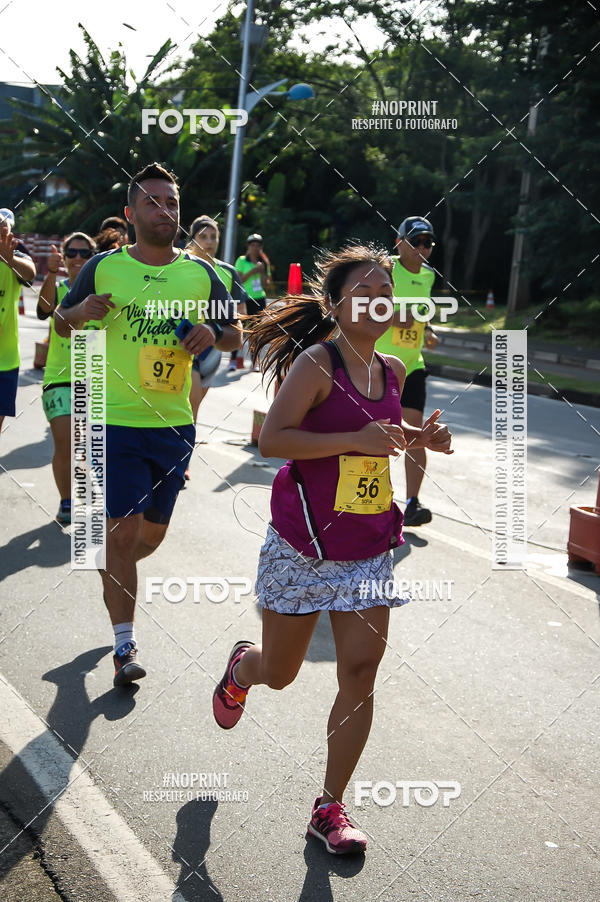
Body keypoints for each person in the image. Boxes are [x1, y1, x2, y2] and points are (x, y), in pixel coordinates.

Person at [211, 244, 452, 854]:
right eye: (364, 291)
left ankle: (330, 806)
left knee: (361, 671)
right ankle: (245, 668)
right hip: (304, 546)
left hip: (370, 545)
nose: (379, 301)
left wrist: (425, 438)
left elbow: (385, 439)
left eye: (386, 292)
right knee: (282, 674)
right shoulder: (317, 365)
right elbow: (272, 440)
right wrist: (357, 437)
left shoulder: (394, 371)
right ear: (337, 304)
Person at [55, 162, 241, 687]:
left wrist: (211, 332)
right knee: (123, 530)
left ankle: (111, 561)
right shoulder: (101, 268)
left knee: (149, 538)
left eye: (173, 203)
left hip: (174, 423)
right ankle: (124, 644)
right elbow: (61, 326)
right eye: (155, 202)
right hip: (111, 421)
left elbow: (233, 334)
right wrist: (80, 312)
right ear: (131, 212)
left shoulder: (201, 273)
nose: (167, 211)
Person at [375, 217, 440, 527]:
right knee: (383, 433)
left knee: (415, 432)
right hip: (382, 364)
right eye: (416, 241)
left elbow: (421, 311)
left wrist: (428, 331)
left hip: (413, 365)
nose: (422, 248)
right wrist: (391, 316)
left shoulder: (428, 276)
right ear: (399, 242)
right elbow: (369, 308)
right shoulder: (386, 271)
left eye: (428, 242)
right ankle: (377, 499)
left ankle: (412, 502)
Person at [37, 232, 96, 524]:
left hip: (93, 380)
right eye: (71, 252)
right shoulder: (58, 287)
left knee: (84, 444)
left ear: (92, 259)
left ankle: (84, 492)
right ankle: (67, 500)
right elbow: (43, 309)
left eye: (84, 254)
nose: (77, 258)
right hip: (58, 378)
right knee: (65, 442)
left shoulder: (101, 293)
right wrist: (49, 272)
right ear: (63, 256)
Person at [184, 215, 250, 451]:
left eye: (214, 236)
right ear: (192, 239)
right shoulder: (182, 267)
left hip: (213, 348)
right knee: (187, 403)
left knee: (195, 407)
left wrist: (237, 334)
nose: (210, 241)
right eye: (203, 236)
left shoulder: (228, 271)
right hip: (185, 345)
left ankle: (184, 454)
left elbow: (240, 310)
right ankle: (180, 457)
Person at [0, 208, 36, 438]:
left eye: (4, 231)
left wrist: (10, 259)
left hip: (6, 360)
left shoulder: (15, 258)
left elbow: (31, 273)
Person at [232, 233, 271, 371]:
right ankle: (234, 360)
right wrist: (253, 271)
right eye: (252, 245)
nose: (255, 248)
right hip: (244, 298)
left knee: (256, 332)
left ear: (261, 247)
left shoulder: (264, 262)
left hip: (259, 299)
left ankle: (254, 361)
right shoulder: (241, 261)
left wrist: (261, 273)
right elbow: (239, 280)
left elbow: (266, 284)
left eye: (258, 245)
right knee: (239, 328)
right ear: (248, 246)